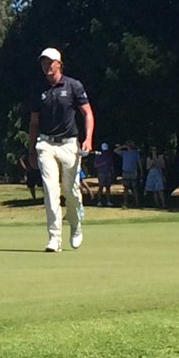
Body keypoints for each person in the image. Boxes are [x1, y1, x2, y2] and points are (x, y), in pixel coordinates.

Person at [28, 47, 94, 253]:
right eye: (43, 62)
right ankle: (54, 237)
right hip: (45, 144)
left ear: (59, 64)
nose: (46, 66)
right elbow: (34, 122)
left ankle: (75, 224)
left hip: (69, 144)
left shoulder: (73, 86)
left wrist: (88, 138)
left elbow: (87, 113)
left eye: (49, 62)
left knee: (70, 191)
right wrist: (31, 149)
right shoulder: (38, 89)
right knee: (50, 190)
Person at [115, 140, 142, 208]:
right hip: (129, 172)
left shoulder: (131, 153)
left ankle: (132, 203)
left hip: (130, 172)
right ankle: (130, 203)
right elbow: (115, 150)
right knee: (129, 188)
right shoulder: (127, 153)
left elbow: (115, 150)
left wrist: (122, 146)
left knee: (131, 188)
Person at [93, 142, 115, 207]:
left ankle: (108, 201)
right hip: (101, 173)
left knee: (108, 187)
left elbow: (111, 165)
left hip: (108, 173)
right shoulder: (98, 156)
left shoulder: (109, 156)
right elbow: (95, 165)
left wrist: (112, 172)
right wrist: (103, 164)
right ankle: (99, 201)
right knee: (101, 187)